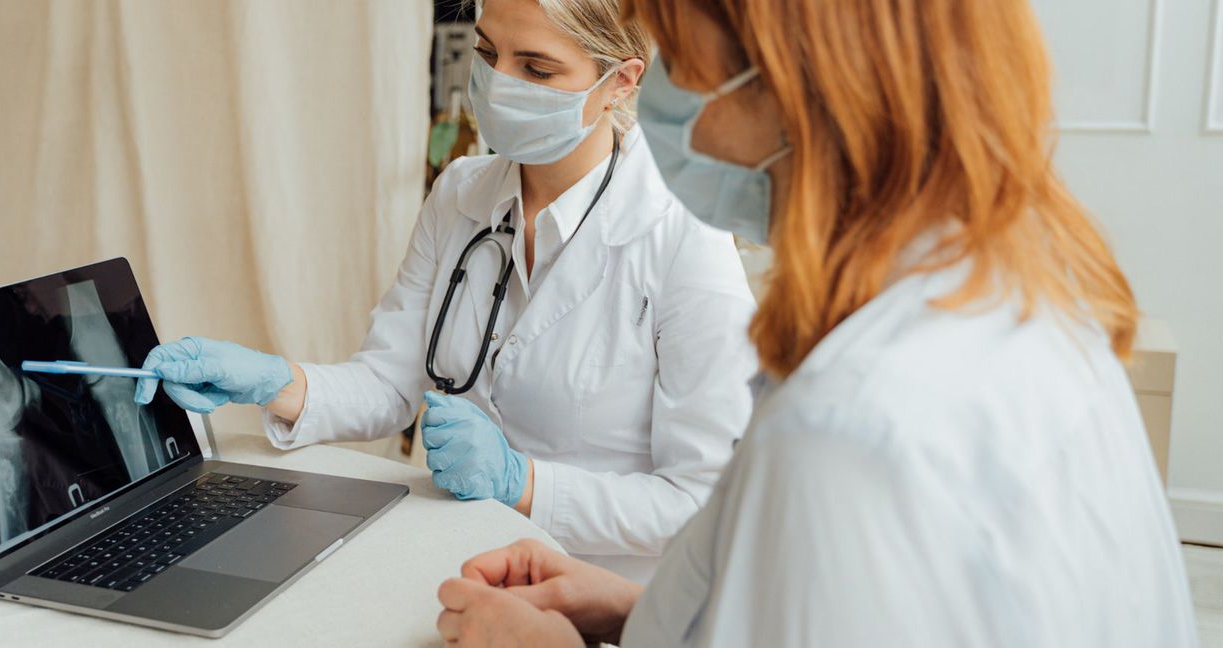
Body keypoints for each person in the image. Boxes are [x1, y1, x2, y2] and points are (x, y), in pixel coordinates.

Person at [434, 0, 1199, 644]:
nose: (661, 99)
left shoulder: (849, 429)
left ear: (803, 92)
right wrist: (631, 612)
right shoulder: (1023, 302)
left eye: (684, 63)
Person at [134, 0, 758, 582]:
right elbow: (390, 384)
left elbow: (702, 500)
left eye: (536, 68)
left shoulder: (683, 235)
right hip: (457, 565)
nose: (503, 83)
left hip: (605, 597)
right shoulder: (461, 192)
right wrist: (275, 380)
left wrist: (524, 484)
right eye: (488, 55)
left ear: (620, 82)